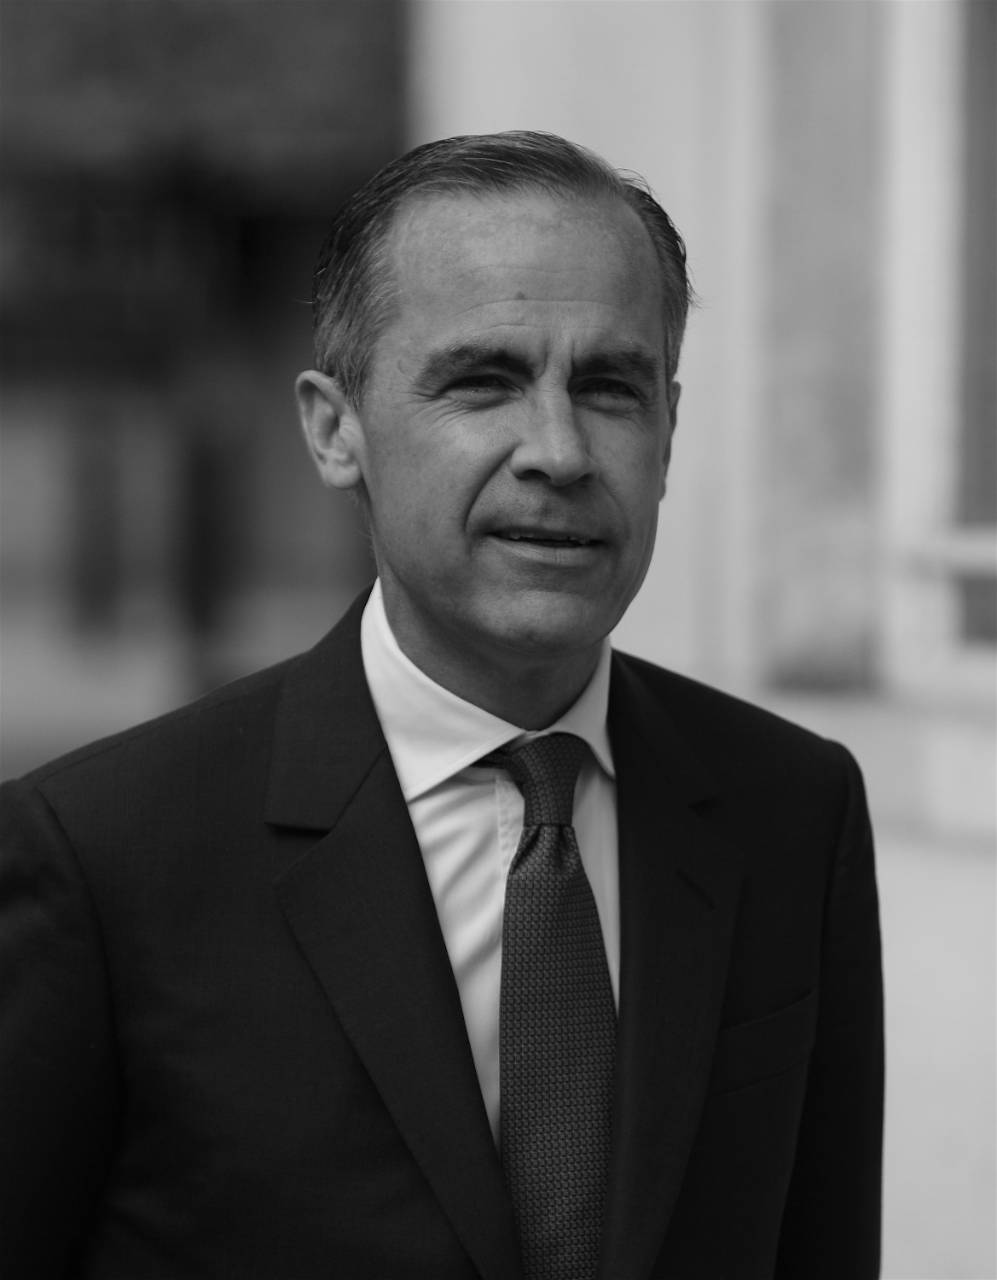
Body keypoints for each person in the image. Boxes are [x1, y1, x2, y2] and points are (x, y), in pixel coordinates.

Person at [0, 132, 883, 1279]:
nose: (559, 451)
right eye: (483, 381)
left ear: (667, 433)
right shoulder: (104, 855)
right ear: (335, 429)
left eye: (609, 388)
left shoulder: (791, 808)